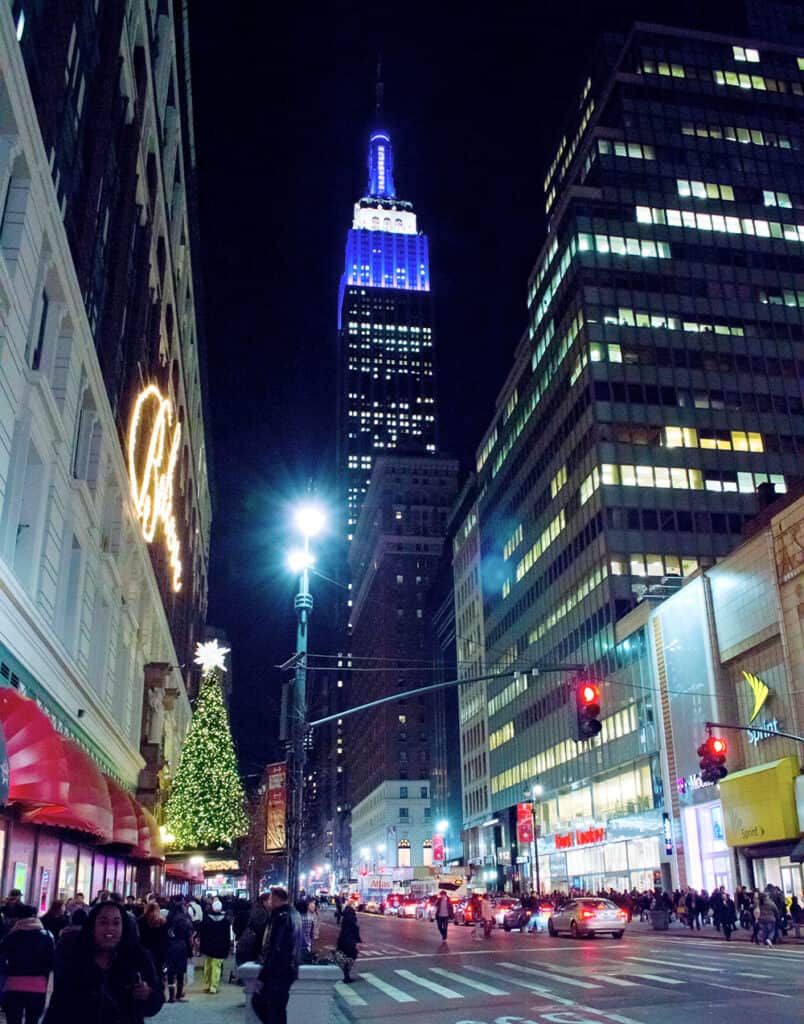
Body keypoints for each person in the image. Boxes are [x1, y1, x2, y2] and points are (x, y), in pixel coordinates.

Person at [43, 901, 163, 1023]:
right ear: (93, 925)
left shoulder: (138, 958)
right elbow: (58, 1005)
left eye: (116, 923)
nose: (110, 928)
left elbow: (155, 1004)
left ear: (124, 926)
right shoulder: (76, 957)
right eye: (103, 922)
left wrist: (148, 994)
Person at [253, 887, 302, 1023]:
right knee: (279, 1008)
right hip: (290, 969)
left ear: (275, 899)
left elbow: (276, 948)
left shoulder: (280, 917)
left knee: (263, 1003)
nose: (268, 902)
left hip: (278, 971)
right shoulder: (294, 914)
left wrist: (263, 975)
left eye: (270, 898)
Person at [0, 903, 55, 1024]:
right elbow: (51, 962)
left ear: (18, 918)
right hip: (38, 986)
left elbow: (2, 960)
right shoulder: (46, 936)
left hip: (14, 985)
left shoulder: (10, 937)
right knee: (33, 1020)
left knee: (13, 1021)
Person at [200, 898, 231, 994]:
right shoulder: (225, 921)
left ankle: (206, 985)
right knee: (216, 966)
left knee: (208, 966)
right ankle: (214, 986)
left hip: (208, 946)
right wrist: (228, 948)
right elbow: (227, 937)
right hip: (220, 947)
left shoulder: (207, 919)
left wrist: (202, 946)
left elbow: (203, 934)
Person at [165, 904, 193, 1003]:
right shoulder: (186, 920)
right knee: (180, 971)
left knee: (171, 971)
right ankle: (179, 994)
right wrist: (191, 951)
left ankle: (171, 996)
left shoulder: (168, 919)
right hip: (182, 946)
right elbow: (190, 938)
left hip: (170, 946)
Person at [138, 902, 167, 992]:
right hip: (159, 951)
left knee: (146, 972)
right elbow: (165, 939)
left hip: (145, 950)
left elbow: (138, 937)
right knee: (158, 971)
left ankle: (147, 989)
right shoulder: (162, 921)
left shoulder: (141, 920)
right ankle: (158, 990)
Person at [335, 903, 361, 984]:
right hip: (348, 939)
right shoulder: (350, 914)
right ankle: (345, 974)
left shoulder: (347, 913)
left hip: (344, 938)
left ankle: (344, 974)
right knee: (351, 955)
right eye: (354, 905)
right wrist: (357, 938)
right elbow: (354, 927)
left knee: (346, 956)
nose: (356, 906)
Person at [295, 898, 316, 963]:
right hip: (307, 945)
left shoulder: (295, 919)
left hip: (296, 945)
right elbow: (311, 934)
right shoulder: (311, 918)